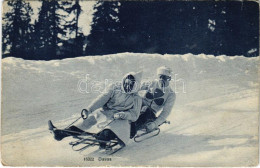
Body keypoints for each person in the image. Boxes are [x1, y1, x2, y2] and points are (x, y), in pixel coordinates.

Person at [49, 71, 143, 147]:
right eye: (126, 83)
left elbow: (134, 115)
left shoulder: (137, 98)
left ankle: (102, 138)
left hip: (121, 119)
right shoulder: (115, 88)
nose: (127, 86)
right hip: (106, 112)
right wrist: (89, 109)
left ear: (135, 86)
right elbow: (102, 98)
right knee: (87, 121)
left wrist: (123, 115)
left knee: (111, 129)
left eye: (131, 85)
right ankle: (61, 133)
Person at [130, 66, 176, 138]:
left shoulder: (171, 94)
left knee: (145, 110)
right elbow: (135, 91)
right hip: (138, 106)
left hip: (150, 113)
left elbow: (165, 112)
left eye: (164, 77)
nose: (161, 79)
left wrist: (155, 124)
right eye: (159, 77)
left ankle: (130, 131)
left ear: (169, 78)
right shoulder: (151, 83)